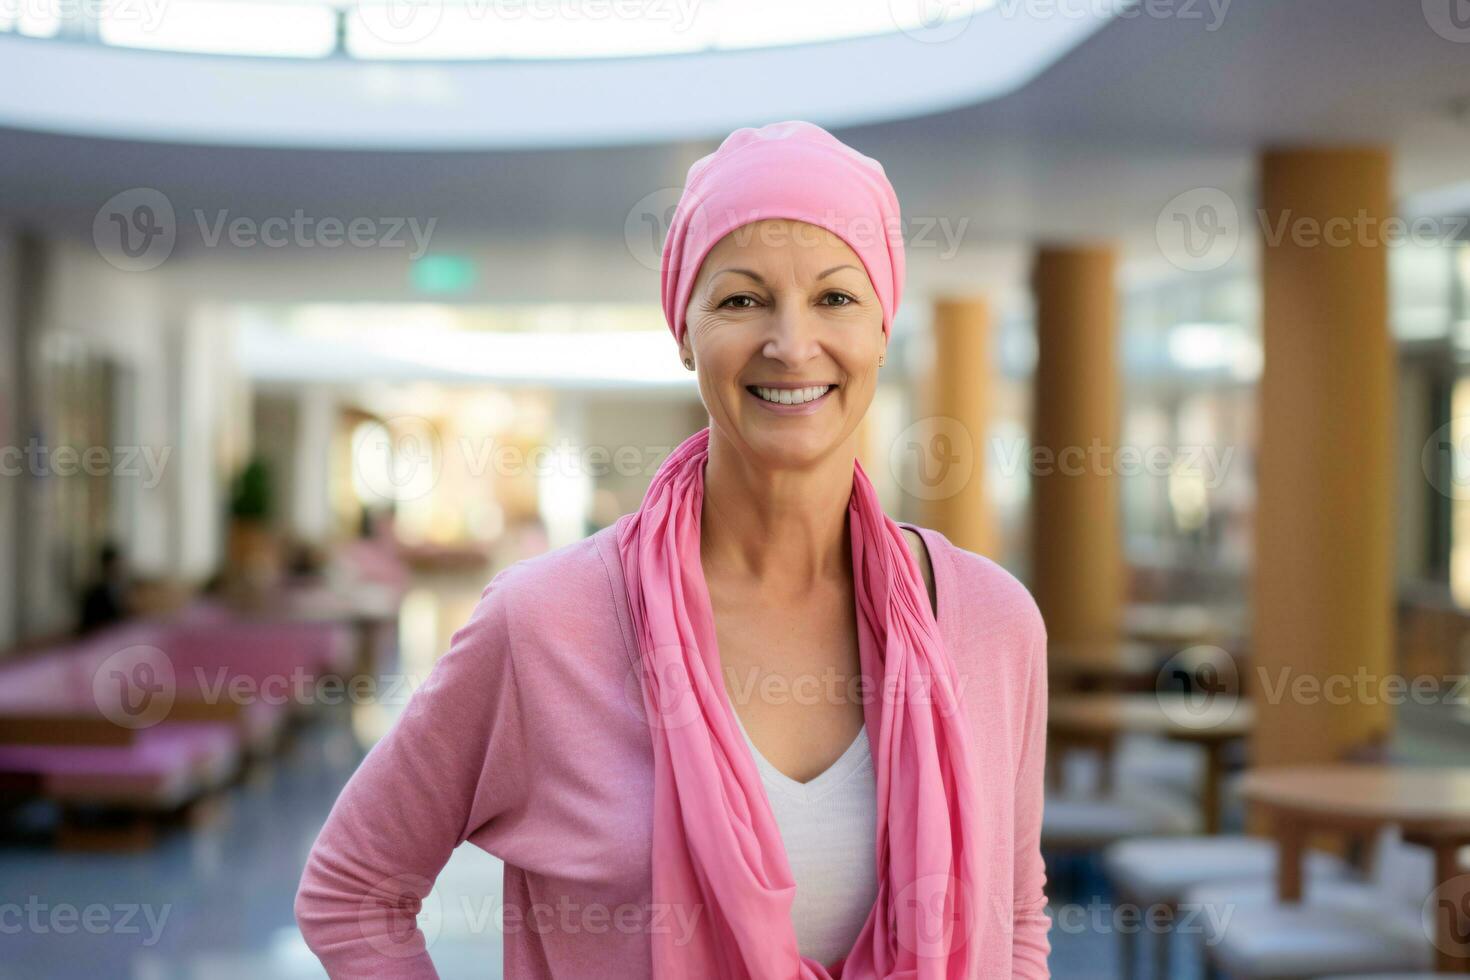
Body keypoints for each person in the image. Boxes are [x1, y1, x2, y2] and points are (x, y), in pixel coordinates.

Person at [295, 120, 1050, 979]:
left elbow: (1016, 917)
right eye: (741, 299)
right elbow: (353, 890)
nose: (791, 343)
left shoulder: (992, 623)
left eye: (836, 297)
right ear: (683, 330)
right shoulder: (547, 623)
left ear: (883, 328)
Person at [77, 541, 130, 633]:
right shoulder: (93, 594)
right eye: (113, 566)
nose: (117, 569)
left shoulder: (124, 591)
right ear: (105, 566)